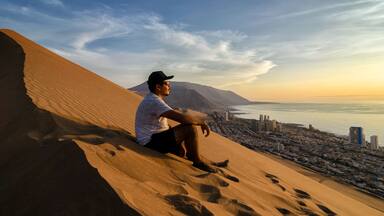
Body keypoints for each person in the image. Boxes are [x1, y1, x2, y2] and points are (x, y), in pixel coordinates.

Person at [135, 71, 221, 172]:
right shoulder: (154, 101)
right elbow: (183, 119)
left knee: (180, 149)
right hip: (150, 143)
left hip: (154, 138)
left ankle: (198, 158)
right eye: (167, 84)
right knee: (189, 128)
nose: (169, 87)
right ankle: (197, 162)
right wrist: (201, 122)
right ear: (158, 87)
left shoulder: (153, 99)